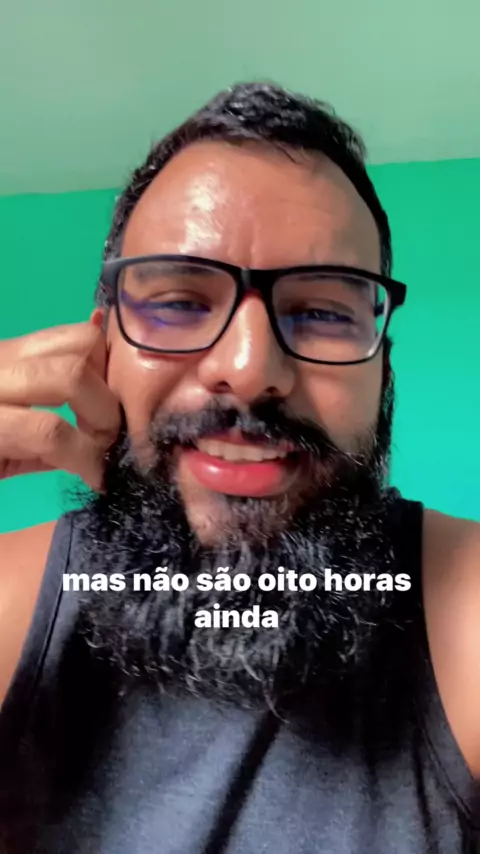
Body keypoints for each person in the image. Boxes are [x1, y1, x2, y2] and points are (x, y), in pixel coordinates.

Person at [0, 82, 479, 853]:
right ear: (102, 349)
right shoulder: (14, 602)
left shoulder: (464, 608)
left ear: (382, 369)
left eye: (322, 312)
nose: (251, 370)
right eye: (179, 302)